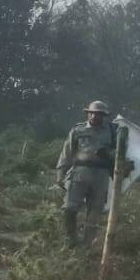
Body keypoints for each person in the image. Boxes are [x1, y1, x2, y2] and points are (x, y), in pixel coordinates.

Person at [56, 100, 120, 247]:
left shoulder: (113, 131)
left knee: (95, 211)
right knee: (69, 208)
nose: (96, 117)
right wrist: (60, 174)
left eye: (100, 114)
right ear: (88, 114)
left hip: (101, 175)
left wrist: (109, 154)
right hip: (79, 173)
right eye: (93, 113)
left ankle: (87, 245)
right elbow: (66, 153)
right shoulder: (78, 130)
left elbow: (122, 153)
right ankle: (70, 240)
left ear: (105, 116)